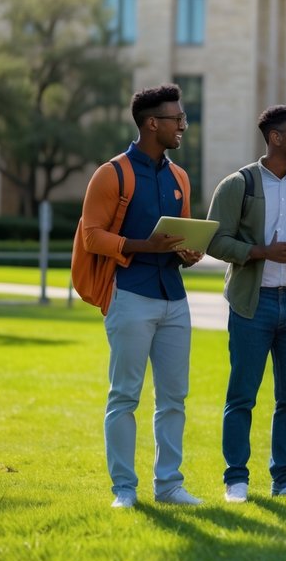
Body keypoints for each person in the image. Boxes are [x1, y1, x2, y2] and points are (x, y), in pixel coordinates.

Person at [78, 83, 204, 509]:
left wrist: (190, 251)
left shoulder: (180, 177)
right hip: (129, 294)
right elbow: (92, 236)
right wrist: (141, 246)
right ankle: (124, 491)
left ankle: (168, 485)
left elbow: (183, 237)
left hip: (175, 298)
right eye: (177, 118)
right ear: (153, 123)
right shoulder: (111, 174)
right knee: (125, 395)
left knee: (174, 398)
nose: (183, 124)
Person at [205, 105, 286, 504]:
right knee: (242, 395)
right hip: (251, 305)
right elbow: (214, 240)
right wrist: (263, 252)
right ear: (275, 138)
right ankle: (236, 480)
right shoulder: (238, 184)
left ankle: (285, 480)